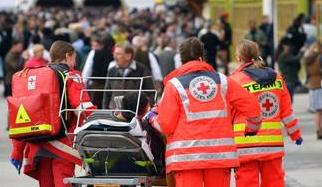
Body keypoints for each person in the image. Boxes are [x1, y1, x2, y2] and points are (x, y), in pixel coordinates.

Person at [143, 37, 262, 187]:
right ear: (202, 57)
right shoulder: (223, 81)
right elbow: (253, 106)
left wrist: (153, 118)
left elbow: (166, 126)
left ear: (181, 59)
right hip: (219, 157)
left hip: (186, 160)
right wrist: (251, 128)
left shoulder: (174, 86)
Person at [10, 40, 96, 187]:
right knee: (62, 181)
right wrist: (99, 121)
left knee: (46, 182)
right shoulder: (70, 75)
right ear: (67, 56)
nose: (75, 63)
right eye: (74, 58)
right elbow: (83, 107)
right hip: (62, 142)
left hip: (37, 142)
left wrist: (17, 151)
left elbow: (22, 115)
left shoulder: (36, 76)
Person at [230, 39, 303, 187]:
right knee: (274, 182)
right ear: (257, 54)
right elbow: (286, 112)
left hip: (245, 145)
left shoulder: (235, 81)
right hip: (272, 145)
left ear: (239, 58)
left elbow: (229, 115)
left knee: (246, 183)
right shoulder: (276, 77)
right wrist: (295, 135)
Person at [103, 42, 155, 109]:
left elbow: (151, 93)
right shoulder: (112, 71)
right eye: (114, 54)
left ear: (128, 56)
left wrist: (149, 111)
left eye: (118, 54)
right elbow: (107, 94)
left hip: (136, 113)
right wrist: (105, 111)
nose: (114, 57)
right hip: (115, 113)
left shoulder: (142, 70)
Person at [303, 42, 322, 139]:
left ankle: (318, 130)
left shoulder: (308, 59)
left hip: (312, 85)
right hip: (320, 84)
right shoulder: (320, 58)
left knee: (317, 111)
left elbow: (307, 73)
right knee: (320, 110)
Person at [277, 37, 304, 102]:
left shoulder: (284, 55)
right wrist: (301, 51)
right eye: (287, 45)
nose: (289, 47)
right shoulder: (285, 55)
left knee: (289, 99)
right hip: (288, 79)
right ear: (284, 46)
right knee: (289, 99)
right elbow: (295, 59)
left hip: (288, 78)